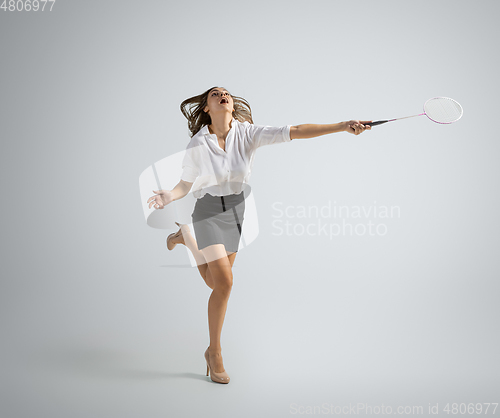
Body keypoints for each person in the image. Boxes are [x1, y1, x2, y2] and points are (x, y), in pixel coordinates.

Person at [146, 86, 371, 384]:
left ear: (231, 104)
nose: (223, 95)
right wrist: (168, 196)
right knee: (225, 284)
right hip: (209, 212)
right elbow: (185, 185)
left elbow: (297, 130)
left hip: (236, 212)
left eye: (226, 93)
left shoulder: (248, 133)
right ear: (206, 108)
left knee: (215, 283)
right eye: (215, 94)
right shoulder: (198, 144)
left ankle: (185, 237)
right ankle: (214, 353)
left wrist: (342, 126)